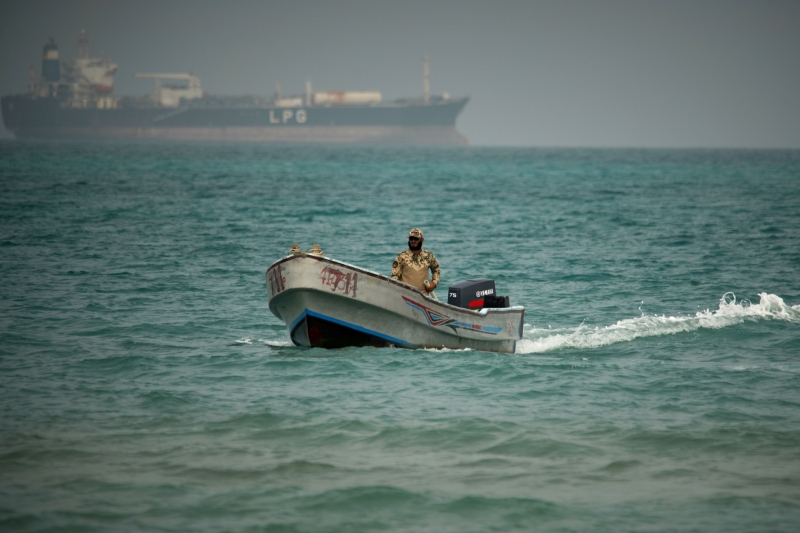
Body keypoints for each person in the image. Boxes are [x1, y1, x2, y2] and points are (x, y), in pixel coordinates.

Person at [392, 228, 441, 299]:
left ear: (422, 240)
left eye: (416, 239)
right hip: (405, 297)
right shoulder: (401, 256)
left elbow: (436, 270)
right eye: (411, 239)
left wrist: (433, 283)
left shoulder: (428, 256)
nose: (413, 241)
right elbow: (395, 277)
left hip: (424, 298)